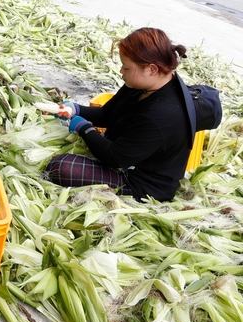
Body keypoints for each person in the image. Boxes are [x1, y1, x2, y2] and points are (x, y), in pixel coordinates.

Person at [44, 27, 193, 201]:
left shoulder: (162, 114)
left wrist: (83, 127)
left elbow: (115, 158)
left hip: (141, 184)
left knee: (59, 167)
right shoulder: (141, 86)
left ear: (151, 69)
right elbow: (108, 114)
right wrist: (76, 109)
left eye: (126, 67)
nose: (122, 71)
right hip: (125, 158)